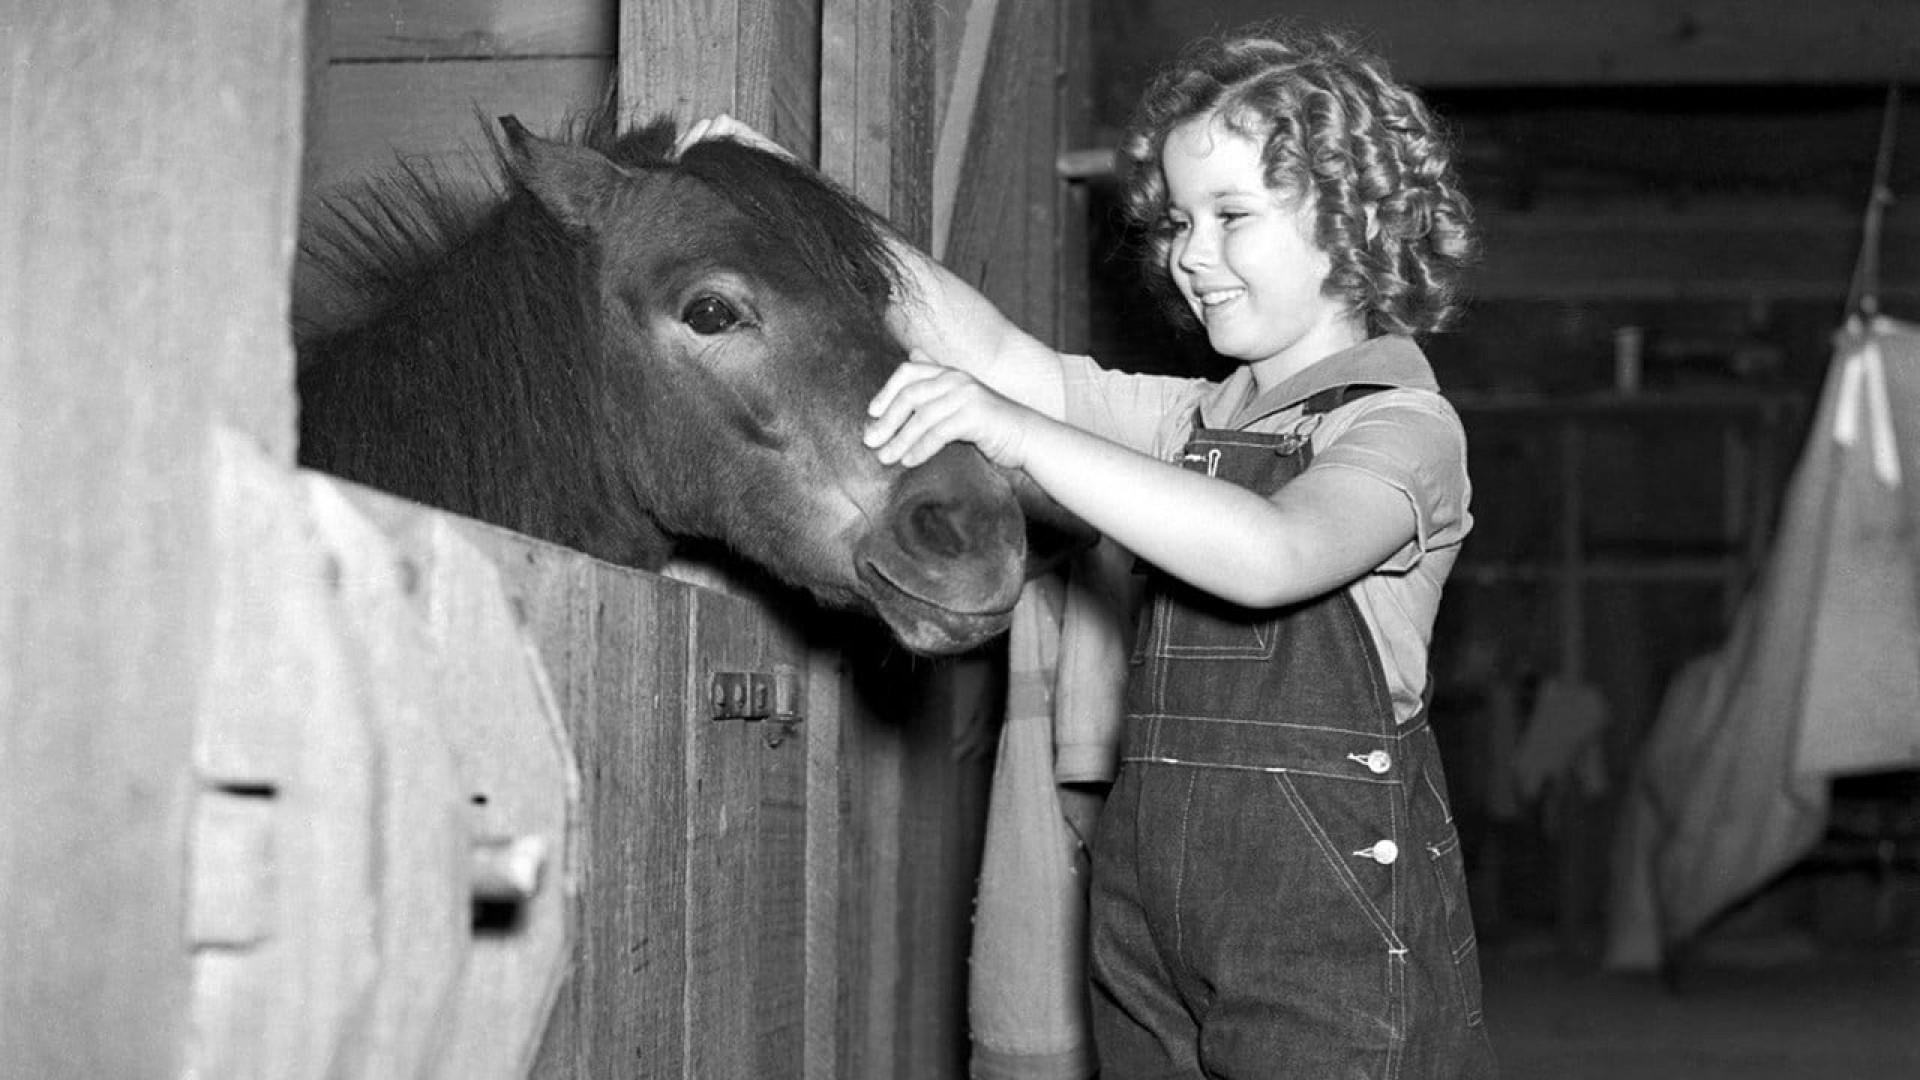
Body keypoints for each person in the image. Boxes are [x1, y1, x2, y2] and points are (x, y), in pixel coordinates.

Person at [684, 18, 1494, 1078]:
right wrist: (790, 199)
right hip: (1151, 903)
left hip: (1325, 918)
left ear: (1353, 227)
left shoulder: (1398, 428)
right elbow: (1008, 359)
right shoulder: (1203, 419)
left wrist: (1021, 435)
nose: (1190, 256)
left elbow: (1273, 554)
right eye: (1176, 224)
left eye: (1232, 216)